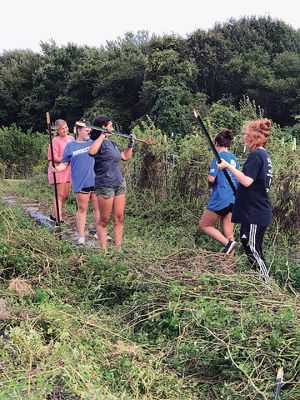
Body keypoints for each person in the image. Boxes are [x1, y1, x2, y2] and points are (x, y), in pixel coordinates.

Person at [217, 119, 273, 281]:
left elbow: (247, 181)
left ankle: (267, 285)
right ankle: (261, 282)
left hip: (256, 212)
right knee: (249, 246)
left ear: (254, 138)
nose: (245, 140)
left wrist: (228, 166)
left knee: (253, 249)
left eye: (247, 137)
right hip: (253, 211)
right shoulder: (264, 156)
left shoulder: (256, 156)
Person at [88, 115, 134, 250]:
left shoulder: (112, 144)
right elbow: (91, 152)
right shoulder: (98, 142)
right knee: (104, 219)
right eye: (110, 126)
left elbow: (125, 156)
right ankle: (104, 250)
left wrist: (131, 144)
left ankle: (118, 249)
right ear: (103, 127)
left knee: (119, 217)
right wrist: (102, 136)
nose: (113, 129)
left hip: (119, 183)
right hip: (105, 185)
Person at [51, 122, 100, 244]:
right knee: (82, 208)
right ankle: (81, 235)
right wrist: (57, 169)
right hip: (80, 182)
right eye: (86, 130)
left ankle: (99, 232)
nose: (89, 132)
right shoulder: (70, 146)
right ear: (78, 131)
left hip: (95, 180)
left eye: (90, 130)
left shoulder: (93, 142)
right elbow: (64, 163)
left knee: (97, 208)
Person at [198, 129, 239, 254]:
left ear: (216, 143)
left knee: (204, 225)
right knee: (229, 233)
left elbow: (211, 178)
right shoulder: (234, 159)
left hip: (221, 198)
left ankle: (228, 244)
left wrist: (210, 184)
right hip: (233, 199)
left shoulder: (218, 157)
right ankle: (230, 267)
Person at [47, 119, 74, 223]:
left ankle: (54, 214)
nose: (65, 130)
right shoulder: (54, 140)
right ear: (57, 130)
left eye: (66, 127)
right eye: (62, 129)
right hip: (57, 170)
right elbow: (52, 157)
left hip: (68, 170)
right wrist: (67, 158)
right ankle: (59, 218)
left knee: (66, 196)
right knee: (59, 195)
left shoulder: (71, 138)